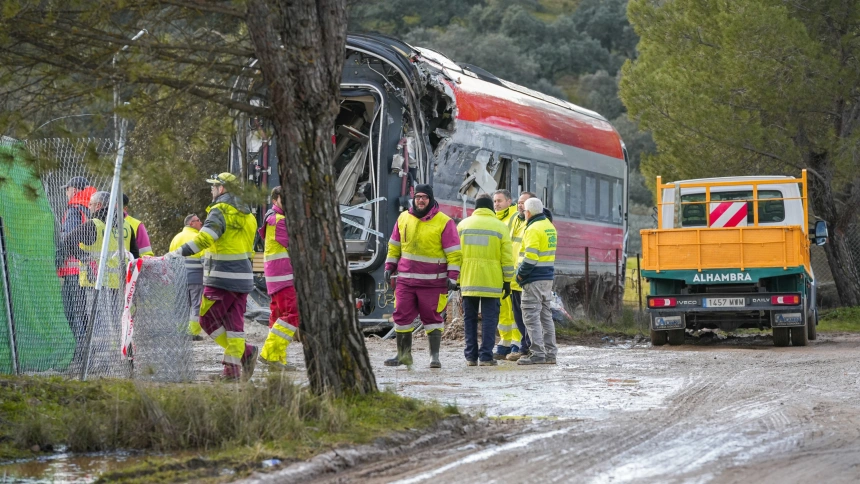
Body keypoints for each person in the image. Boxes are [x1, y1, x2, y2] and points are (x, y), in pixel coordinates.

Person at [172, 173, 259, 381]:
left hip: (220, 279)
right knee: (234, 327)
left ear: (222, 189)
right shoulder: (249, 216)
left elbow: (204, 239)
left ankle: (246, 353)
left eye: (214, 187)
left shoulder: (219, 210)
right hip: (243, 279)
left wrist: (177, 253)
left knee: (207, 320)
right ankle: (232, 372)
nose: (212, 191)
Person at [384, 184, 461, 369]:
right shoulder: (403, 218)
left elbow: (454, 253)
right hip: (406, 280)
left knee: (432, 319)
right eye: (418, 197)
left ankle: (434, 357)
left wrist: (453, 277)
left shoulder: (444, 222)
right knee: (401, 317)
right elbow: (394, 245)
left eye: (424, 197)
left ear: (431, 199)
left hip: (433, 282)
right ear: (414, 198)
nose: (421, 200)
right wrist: (389, 266)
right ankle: (403, 356)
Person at [61, 191, 135, 372]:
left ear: (99, 206)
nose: (89, 208)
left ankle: (100, 364)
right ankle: (126, 360)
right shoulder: (126, 226)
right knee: (121, 324)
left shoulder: (94, 225)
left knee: (95, 326)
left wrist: (83, 258)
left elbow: (67, 242)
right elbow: (136, 255)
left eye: (91, 205)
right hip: (121, 283)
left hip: (95, 284)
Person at [457, 194, 514, 366]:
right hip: (492, 280)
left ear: (476, 207)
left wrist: (457, 279)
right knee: (490, 319)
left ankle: (470, 357)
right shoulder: (500, 227)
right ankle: (486, 357)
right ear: (491, 207)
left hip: (468, 279)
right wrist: (507, 280)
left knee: (469, 319)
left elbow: (455, 256)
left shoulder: (463, 225)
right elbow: (507, 258)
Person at [258, 186, 299, 372]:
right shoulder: (280, 221)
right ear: (275, 200)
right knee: (291, 315)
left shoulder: (272, 218)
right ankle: (269, 353)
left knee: (277, 317)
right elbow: (295, 245)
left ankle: (276, 359)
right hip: (283, 276)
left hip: (275, 277)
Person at [56, 176, 96, 361]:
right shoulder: (90, 208)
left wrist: (60, 259)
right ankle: (85, 351)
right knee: (82, 312)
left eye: (67, 188)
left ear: (73, 190)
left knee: (72, 312)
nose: (66, 192)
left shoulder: (74, 210)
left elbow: (68, 237)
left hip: (73, 268)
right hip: (87, 267)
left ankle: (78, 354)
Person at [516, 197, 558, 365]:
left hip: (533, 278)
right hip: (546, 278)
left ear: (528, 212)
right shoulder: (549, 226)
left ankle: (537, 353)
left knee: (531, 317)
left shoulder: (533, 228)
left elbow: (531, 257)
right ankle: (550, 353)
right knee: (546, 316)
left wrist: (520, 275)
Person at [491, 189, 522, 360]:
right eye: (495, 201)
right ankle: (505, 341)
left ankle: (516, 341)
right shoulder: (494, 219)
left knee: (514, 310)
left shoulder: (515, 217)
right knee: (503, 310)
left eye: (500, 201)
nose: (496, 204)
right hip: (499, 271)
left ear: (509, 201)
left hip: (512, 270)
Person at [505, 191, 535, 362]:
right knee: (519, 316)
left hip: (526, 278)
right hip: (514, 278)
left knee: (529, 316)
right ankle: (524, 346)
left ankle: (528, 348)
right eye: (519, 202)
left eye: (524, 202)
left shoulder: (533, 223)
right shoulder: (515, 220)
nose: (520, 205)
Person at [169, 213, 205, 340]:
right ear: (191, 223)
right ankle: (193, 333)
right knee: (196, 304)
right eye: (198, 220)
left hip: (179, 278)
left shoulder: (176, 238)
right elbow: (204, 260)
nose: (201, 223)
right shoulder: (199, 238)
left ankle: (181, 331)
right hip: (195, 277)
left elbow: (170, 259)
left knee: (181, 304)